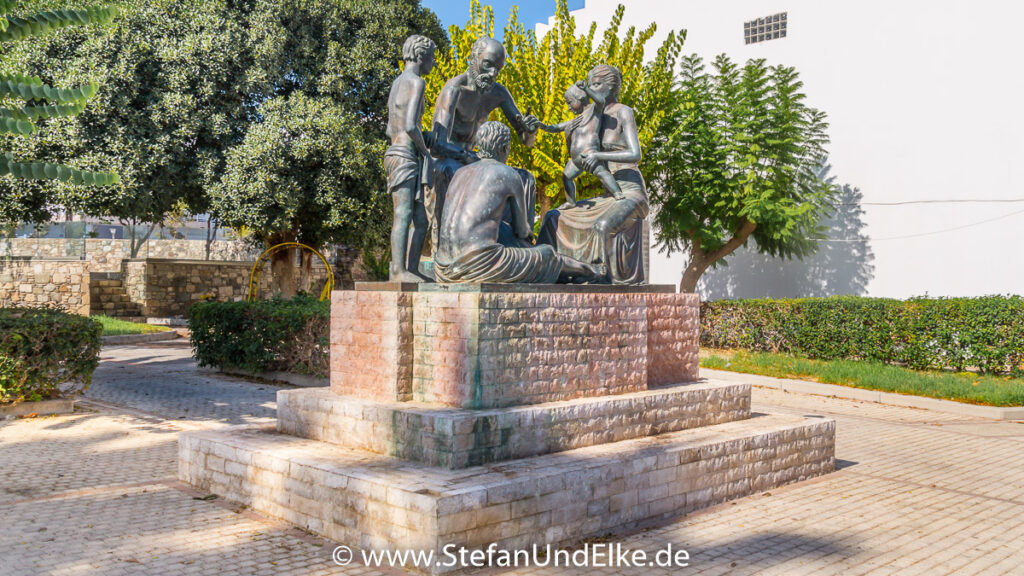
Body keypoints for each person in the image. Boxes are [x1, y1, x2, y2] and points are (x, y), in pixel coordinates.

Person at [435, 122, 604, 284]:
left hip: (443, 267)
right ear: (504, 148)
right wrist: (527, 235)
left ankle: (568, 273)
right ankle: (593, 271)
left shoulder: (459, 173)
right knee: (547, 254)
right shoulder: (508, 173)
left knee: (509, 238)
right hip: (481, 265)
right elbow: (522, 231)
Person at [427, 36, 541, 255]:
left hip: (477, 161)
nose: (492, 74)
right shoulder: (454, 90)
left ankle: (520, 242)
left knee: (525, 178)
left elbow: (527, 142)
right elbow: (437, 144)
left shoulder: (498, 93)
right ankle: (445, 249)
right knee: (450, 170)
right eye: (488, 65)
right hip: (449, 159)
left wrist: (531, 130)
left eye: (497, 69)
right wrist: (466, 156)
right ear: (473, 58)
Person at [537, 64, 649, 285]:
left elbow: (636, 154)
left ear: (611, 87)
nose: (591, 88)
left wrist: (598, 155)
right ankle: (548, 272)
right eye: (590, 84)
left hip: (629, 193)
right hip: (608, 198)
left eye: (596, 84)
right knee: (552, 218)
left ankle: (601, 277)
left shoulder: (623, 112)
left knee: (603, 226)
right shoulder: (590, 115)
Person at [384, 34, 436, 282]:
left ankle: (411, 269)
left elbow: (389, 128)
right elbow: (410, 126)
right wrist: (426, 151)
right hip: (406, 155)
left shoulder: (396, 83)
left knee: (421, 221)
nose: (434, 62)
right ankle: (398, 271)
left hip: (397, 152)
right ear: (420, 55)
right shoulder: (416, 82)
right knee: (403, 215)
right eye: (432, 57)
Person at [538, 80, 624, 209]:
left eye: (570, 102)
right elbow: (556, 127)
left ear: (580, 98)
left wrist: (587, 89)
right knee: (566, 177)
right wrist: (541, 125)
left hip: (589, 155)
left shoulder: (593, 111)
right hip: (575, 161)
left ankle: (617, 193)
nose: (569, 107)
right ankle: (571, 202)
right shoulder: (574, 120)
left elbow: (601, 101)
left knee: (602, 173)